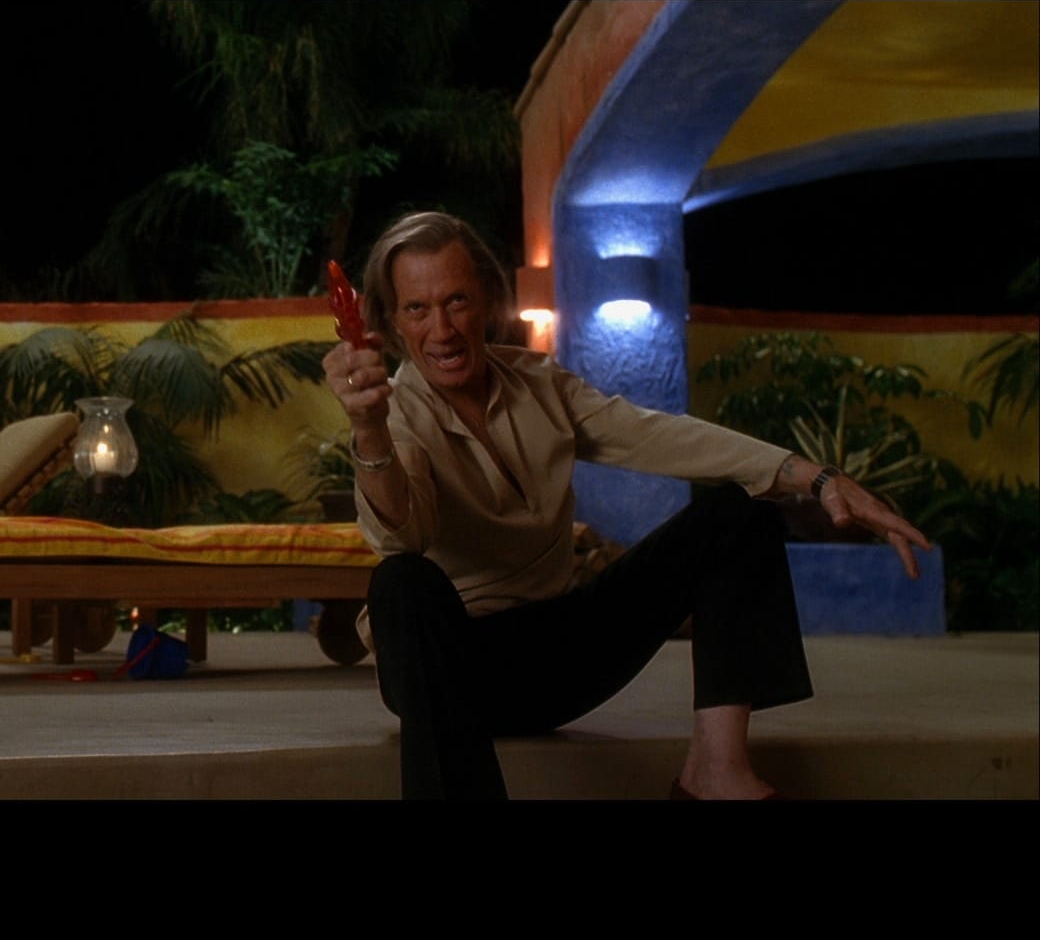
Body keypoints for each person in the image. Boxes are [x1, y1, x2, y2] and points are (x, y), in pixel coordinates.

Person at [323, 211, 931, 799]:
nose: (443, 329)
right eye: (418, 309)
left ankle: (716, 774)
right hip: (447, 671)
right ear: (393, 323)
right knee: (400, 581)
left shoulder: (540, 382)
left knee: (738, 514)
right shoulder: (393, 413)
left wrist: (817, 478)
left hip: (556, 658)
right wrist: (370, 430)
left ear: (486, 299)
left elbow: (658, 435)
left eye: (456, 300)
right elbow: (404, 535)